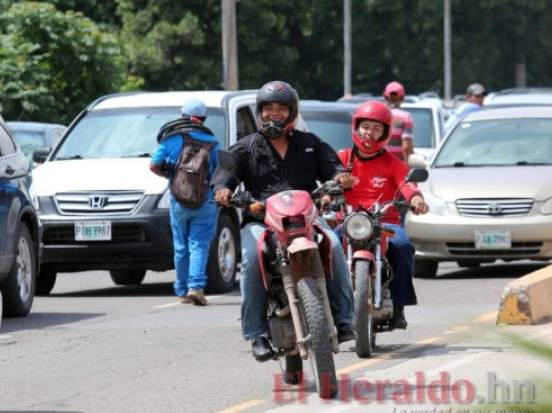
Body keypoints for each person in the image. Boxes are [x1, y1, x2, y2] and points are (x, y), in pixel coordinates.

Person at [212, 80, 355, 362]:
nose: (274, 114)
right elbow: (223, 176)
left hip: (306, 219)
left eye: (281, 108)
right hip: (261, 222)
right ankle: (256, 334)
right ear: (259, 112)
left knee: (335, 246)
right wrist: (223, 190)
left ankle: (344, 319)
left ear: (291, 112)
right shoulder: (244, 147)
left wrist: (340, 179)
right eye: (268, 108)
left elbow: (335, 169)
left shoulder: (310, 143)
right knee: (252, 259)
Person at [338, 100, 429, 329]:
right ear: (356, 127)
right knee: (325, 245)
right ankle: (325, 306)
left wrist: (416, 199)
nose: (370, 133)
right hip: (348, 221)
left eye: (377, 128)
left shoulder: (393, 163)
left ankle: (398, 305)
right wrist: (334, 188)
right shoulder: (343, 159)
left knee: (403, 246)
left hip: (384, 222)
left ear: (386, 133)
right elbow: (329, 182)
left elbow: (407, 185)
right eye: (366, 126)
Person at [150, 98, 219, 306]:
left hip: (178, 201)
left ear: (182, 116)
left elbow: (154, 165)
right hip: (204, 201)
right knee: (198, 244)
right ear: (203, 118)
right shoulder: (213, 141)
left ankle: (181, 290)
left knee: (180, 247)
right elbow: (218, 172)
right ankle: (196, 287)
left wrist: (171, 175)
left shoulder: (171, 139)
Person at [383, 81, 414, 162]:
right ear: (403, 97)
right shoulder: (405, 117)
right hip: (397, 165)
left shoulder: (376, 115)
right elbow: (406, 146)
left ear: (385, 96)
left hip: (377, 166)